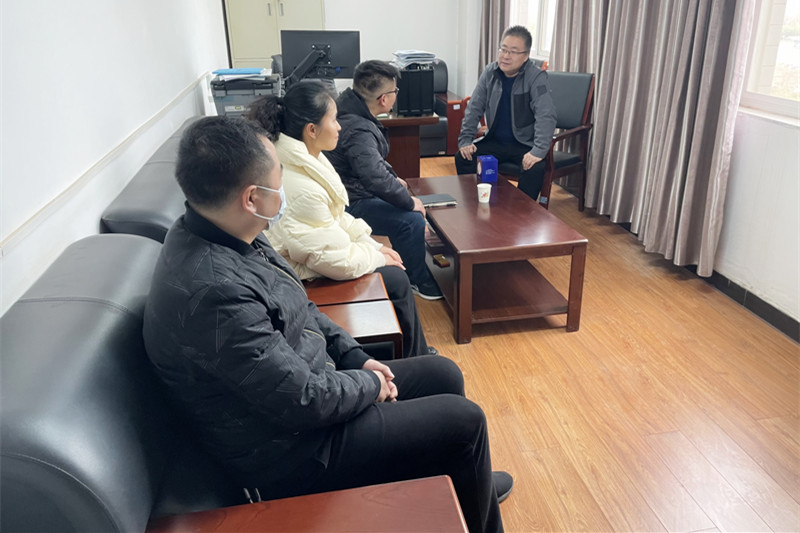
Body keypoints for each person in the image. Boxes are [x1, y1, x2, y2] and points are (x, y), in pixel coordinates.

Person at [142, 116, 511, 533]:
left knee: (443, 373)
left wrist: (357, 358)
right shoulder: (214, 293)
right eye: (278, 179)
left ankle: (467, 481)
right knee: (464, 422)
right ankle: (469, 478)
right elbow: (305, 400)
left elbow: (301, 306)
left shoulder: (229, 229)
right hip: (295, 452)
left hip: (310, 396)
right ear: (252, 198)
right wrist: (370, 385)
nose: (283, 188)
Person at [244, 80, 434, 359]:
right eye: (333, 120)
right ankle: (416, 358)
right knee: (395, 276)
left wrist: (373, 246)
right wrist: (376, 257)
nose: (340, 127)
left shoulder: (307, 158)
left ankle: (414, 354)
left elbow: (336, 217)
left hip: (315, 255)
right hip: (301, 276)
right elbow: (329, 258)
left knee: (393, 269)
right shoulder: (299, 183)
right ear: (312, 130)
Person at [325, 60, 443, 300]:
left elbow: (369, 163)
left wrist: (393, 177)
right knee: (411, 220)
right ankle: (417, 279)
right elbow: (374, 177)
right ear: (383, 99)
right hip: (349, 202)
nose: (396, 95)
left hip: (349, 190)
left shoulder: (348, 110)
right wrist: (409, 203)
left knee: (404, 196)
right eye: (395, 91)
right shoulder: (358, 128)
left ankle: (408, 260)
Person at [456, 26, 557, 203]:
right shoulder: (490, 72)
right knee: (464, 157)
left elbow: (546, 115)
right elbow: (474, 107)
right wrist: (465, 140)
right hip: (494, 141)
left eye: (513, 52)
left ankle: (521, 213)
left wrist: (538, 151)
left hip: (524, 144)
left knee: (534, 168)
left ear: (526, 56)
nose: (505, 56)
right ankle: (475, 204)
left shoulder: (536, 77)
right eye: (503, 49)